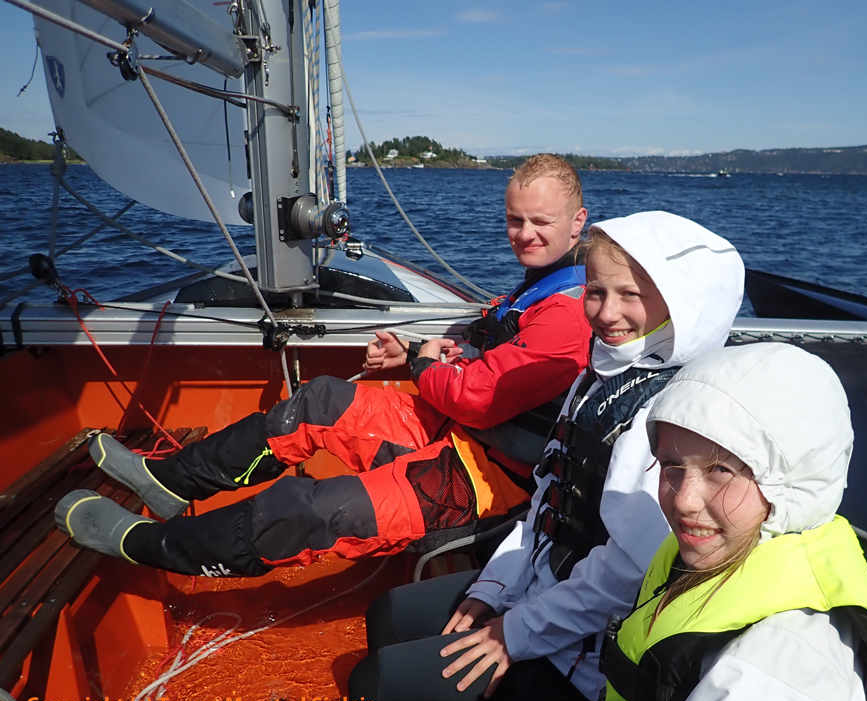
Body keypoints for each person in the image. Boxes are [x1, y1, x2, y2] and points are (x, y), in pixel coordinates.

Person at [54, 154, 593, 576]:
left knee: (310, 511)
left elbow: (479, 395)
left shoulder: (569, 315)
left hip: (489, 481)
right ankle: (170, 481)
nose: (524, 233)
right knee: (319, 401)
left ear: (577, 223)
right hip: (461, 434)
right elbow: (492, 370)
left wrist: (423, 368)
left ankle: (142, 542)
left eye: (540, 221)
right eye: (515, 219)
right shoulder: (543, 288)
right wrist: (412, 356)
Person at [347, 211, 745, 701]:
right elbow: (547, 500)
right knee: (388, 614)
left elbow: (625, 575)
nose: (607, 313)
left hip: (588, 648)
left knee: (376, 682)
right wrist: (495, 587)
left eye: (631, 295)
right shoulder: (602, 374)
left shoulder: (668, 414)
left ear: (681, 304)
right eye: (596, 292)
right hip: (544, 586)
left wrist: (514, 632)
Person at [595, 343, 867, 701]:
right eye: (671, 465)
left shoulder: (782, 661)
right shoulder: (709, 552)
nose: (684, 500)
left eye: (721, 470)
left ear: (791, 483)